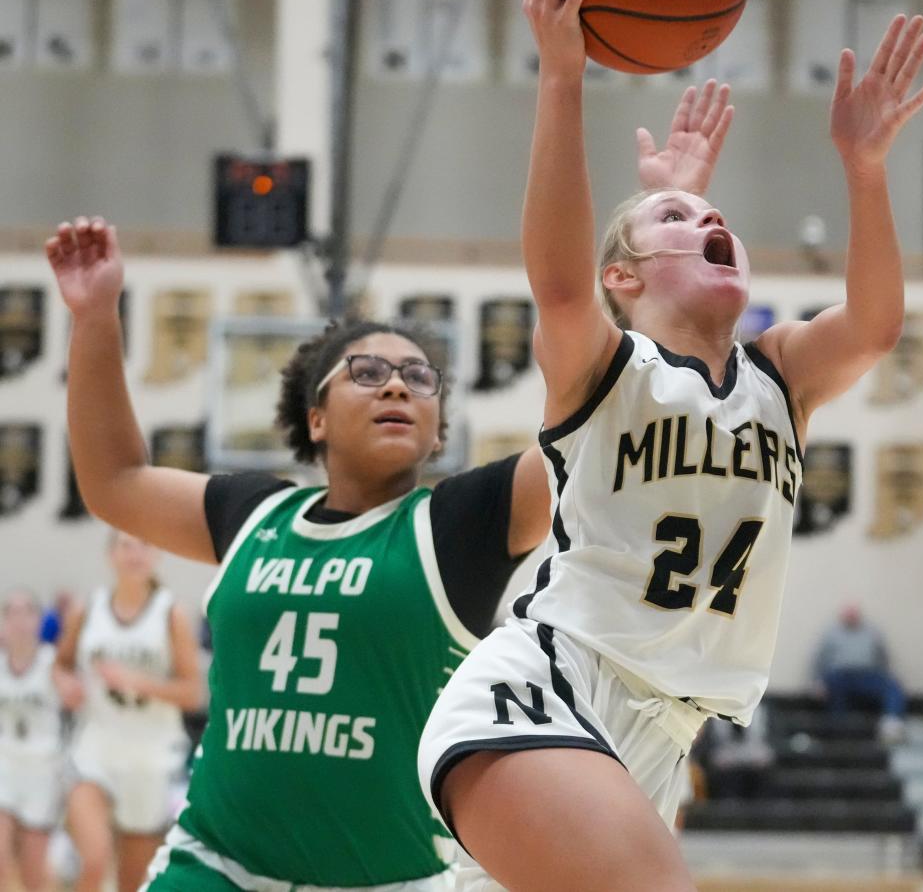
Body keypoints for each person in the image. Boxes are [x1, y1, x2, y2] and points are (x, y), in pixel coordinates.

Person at [417, 0, 923, 889]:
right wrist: (564, 73)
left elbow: (874, 325)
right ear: (625, 275)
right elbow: (562, 278)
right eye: (674, 221)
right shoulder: (607, 366)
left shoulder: (779, 377)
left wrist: (865, 168)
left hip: (663, 733)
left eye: (715, 214)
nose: (706, 221)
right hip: (549, 690)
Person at [44, 216, 553, 890]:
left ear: (437, 435)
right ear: (316, 417)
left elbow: (590, 449)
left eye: (418, 378)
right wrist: (96, 316)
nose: (396, 386)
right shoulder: (254, 513)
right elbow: (114, 484)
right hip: (217, 866)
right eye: (367, 372)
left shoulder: (457, 524)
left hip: (388, 880)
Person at [53, 531, 203, 892]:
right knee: (94, 859)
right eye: (126, 545)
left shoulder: (172, 614)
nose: (135, 554)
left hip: (150, 759)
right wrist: (66, 685)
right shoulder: (87, 608)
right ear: (110, 555)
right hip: (95, 750)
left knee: (132, 883)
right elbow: (60, 665)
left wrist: (137, 681)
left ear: (158, 557)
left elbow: (193, 694)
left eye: (145, 545)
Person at [0, 588, 63, 891]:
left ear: (40, 621)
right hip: (4, 767)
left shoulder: (54, 664)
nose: (20, 619)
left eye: (28, 611)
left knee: (33, 876)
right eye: (12, 611)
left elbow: (80, 698)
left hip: (42, 772)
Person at [814, 604, 906, 741]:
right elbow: (819, 660)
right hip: (840, 676)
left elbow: (883, 658)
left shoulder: (872, 632)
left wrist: (884, 674)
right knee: (833, 687)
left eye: (854, 615)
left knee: (892, 686)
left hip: (867, 675)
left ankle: (891, 723)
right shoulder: (831, 634)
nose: (851, 618)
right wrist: (817, 681)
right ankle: (839, 729)